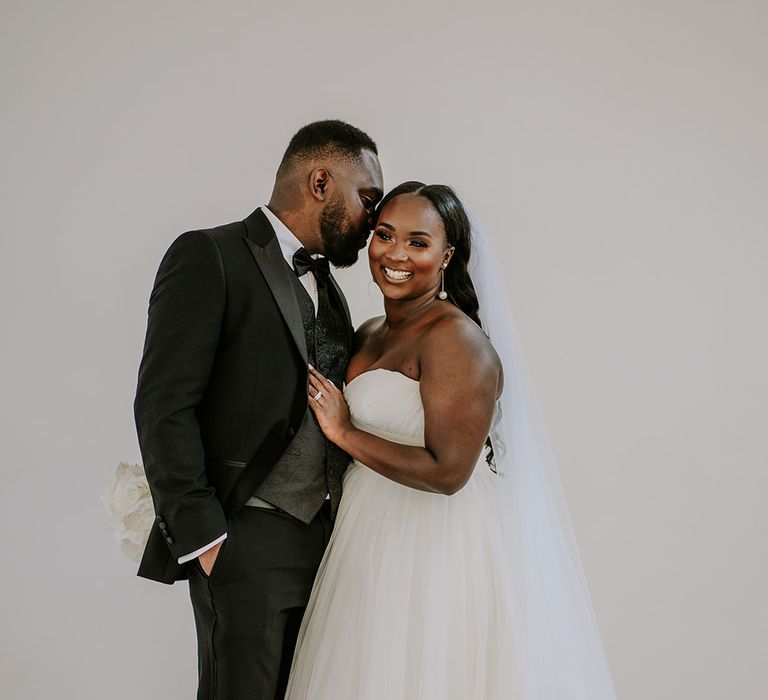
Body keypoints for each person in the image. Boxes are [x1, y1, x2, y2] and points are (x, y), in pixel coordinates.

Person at [284, 182, 617, 699]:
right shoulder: (371, 331)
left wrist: (345, 431)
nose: (395, 254)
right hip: (367, 536)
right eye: (384, 235)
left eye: (418, 243)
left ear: (447, 255)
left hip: (433, 544)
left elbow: (449, 471)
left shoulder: (455, 340)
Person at [133, 119, 383, 699]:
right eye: (367, 198)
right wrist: (206, 540)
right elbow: (164, 402)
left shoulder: (329, 286)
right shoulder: (209, 254)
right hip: (245, 539)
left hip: (326, 545)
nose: (374, 220)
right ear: (320, 181)